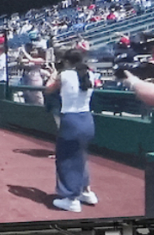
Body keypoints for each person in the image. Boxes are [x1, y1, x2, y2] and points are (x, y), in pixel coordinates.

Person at [51, 46, 98, 213]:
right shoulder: (89, 73)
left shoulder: (64, 74)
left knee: (66, 159)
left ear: (67, 61)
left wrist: (55, 72)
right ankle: (86, 191)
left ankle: (71, 198)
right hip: (87, 119)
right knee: (80, 156)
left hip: (71, 120)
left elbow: (48, 89)